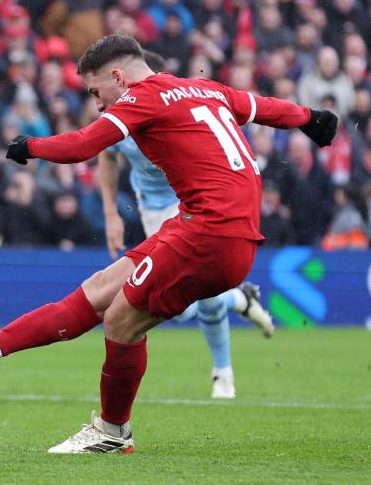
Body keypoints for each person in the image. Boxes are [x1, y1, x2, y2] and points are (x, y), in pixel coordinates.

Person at [0, 35, 337, 453]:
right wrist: (312, 119)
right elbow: (265, 108)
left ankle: (113, 430)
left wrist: (29, 147)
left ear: (118, 75)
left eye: (96, 92)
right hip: (204, 227)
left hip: (210, 233)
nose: (97, 103)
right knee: (99, 290)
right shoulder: (203, 87)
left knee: (121, 320)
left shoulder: (143, 96)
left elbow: (85, 144)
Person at [96, 50, 274, 400]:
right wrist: (111, 215)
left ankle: (223, 374)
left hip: (193, 203)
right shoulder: (120, 112)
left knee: (203, 298)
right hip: (154, 210)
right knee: (172, 308)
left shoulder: (177, 106)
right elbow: (106, 155)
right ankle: (239, 299)